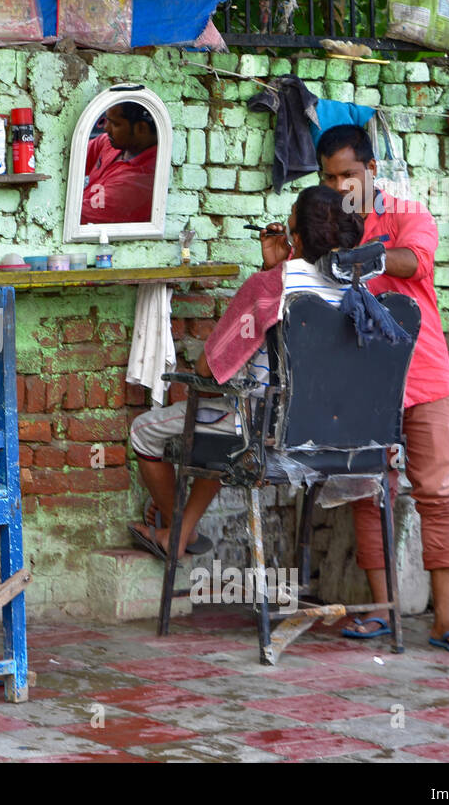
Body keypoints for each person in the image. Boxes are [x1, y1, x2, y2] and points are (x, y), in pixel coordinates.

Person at [309, 124, 449, 655]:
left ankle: (445, 619)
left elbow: (416, 261)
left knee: (439, 494)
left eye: (348, 175)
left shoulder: (409, 215)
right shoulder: (324, 226)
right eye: (329, 177)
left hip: (425, 375)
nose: (339, 186)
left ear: (370, 171)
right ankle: (382, 611)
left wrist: (364, 259)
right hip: (362, 384)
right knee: (370, 493)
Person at [129, 185, 363, 559]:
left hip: (265, 429)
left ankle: (176, 530)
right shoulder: (357, 288)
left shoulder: (269, 287)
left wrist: (270, 276)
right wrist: (278, 267)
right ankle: (180, 532)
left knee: (144, 431)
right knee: (226, 428)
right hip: (334, 432)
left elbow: (210, 367)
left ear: (296, 238)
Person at [81, 101, 158, 224]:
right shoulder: (114, 143)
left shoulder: (137, 184)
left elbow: (76, 216)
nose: (106, 128)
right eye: (108, 120)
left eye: (115, 124)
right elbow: (68, 158)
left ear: (141, 128)